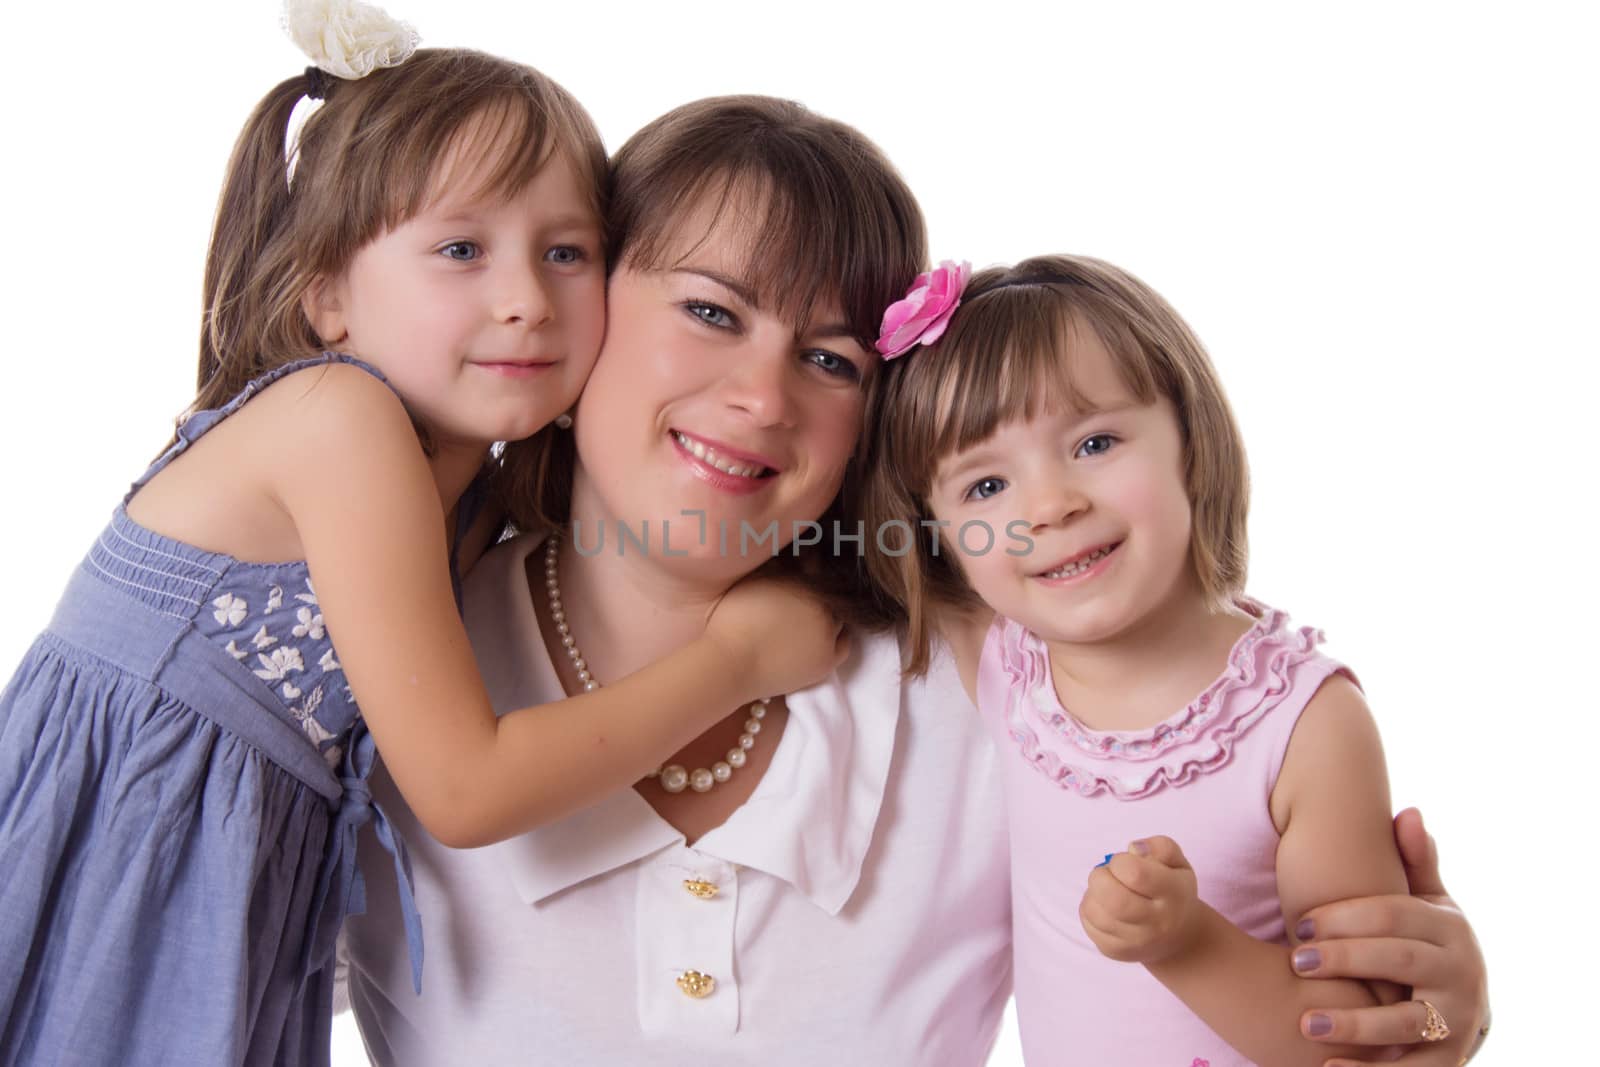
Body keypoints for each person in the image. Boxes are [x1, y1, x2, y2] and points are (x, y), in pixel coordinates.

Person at [342, 100, 1490, 1065]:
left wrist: (1443, 1011)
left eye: (831, 357)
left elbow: (1311, 968)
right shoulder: (384, 654)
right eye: (708, 310)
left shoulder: (999, 679)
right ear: (575, 303)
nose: (762, 395)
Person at [0, 14, 842, 1066]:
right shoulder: (335, 423)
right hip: (118, 876)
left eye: (567, 251)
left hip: (219, 900)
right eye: (459, 249)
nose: (526, 300)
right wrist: (742, 657)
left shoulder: (466, 481)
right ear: (327, 296)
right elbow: (464, 787)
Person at [856, 254, 1485, 1065]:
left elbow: (1364, 1027)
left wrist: (1185, 941)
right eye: (984, 488)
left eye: (1095, 440)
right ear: (942, 542)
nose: (1050, 505)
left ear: (1190, 438)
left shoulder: (1305, 726)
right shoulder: (1008, 663)